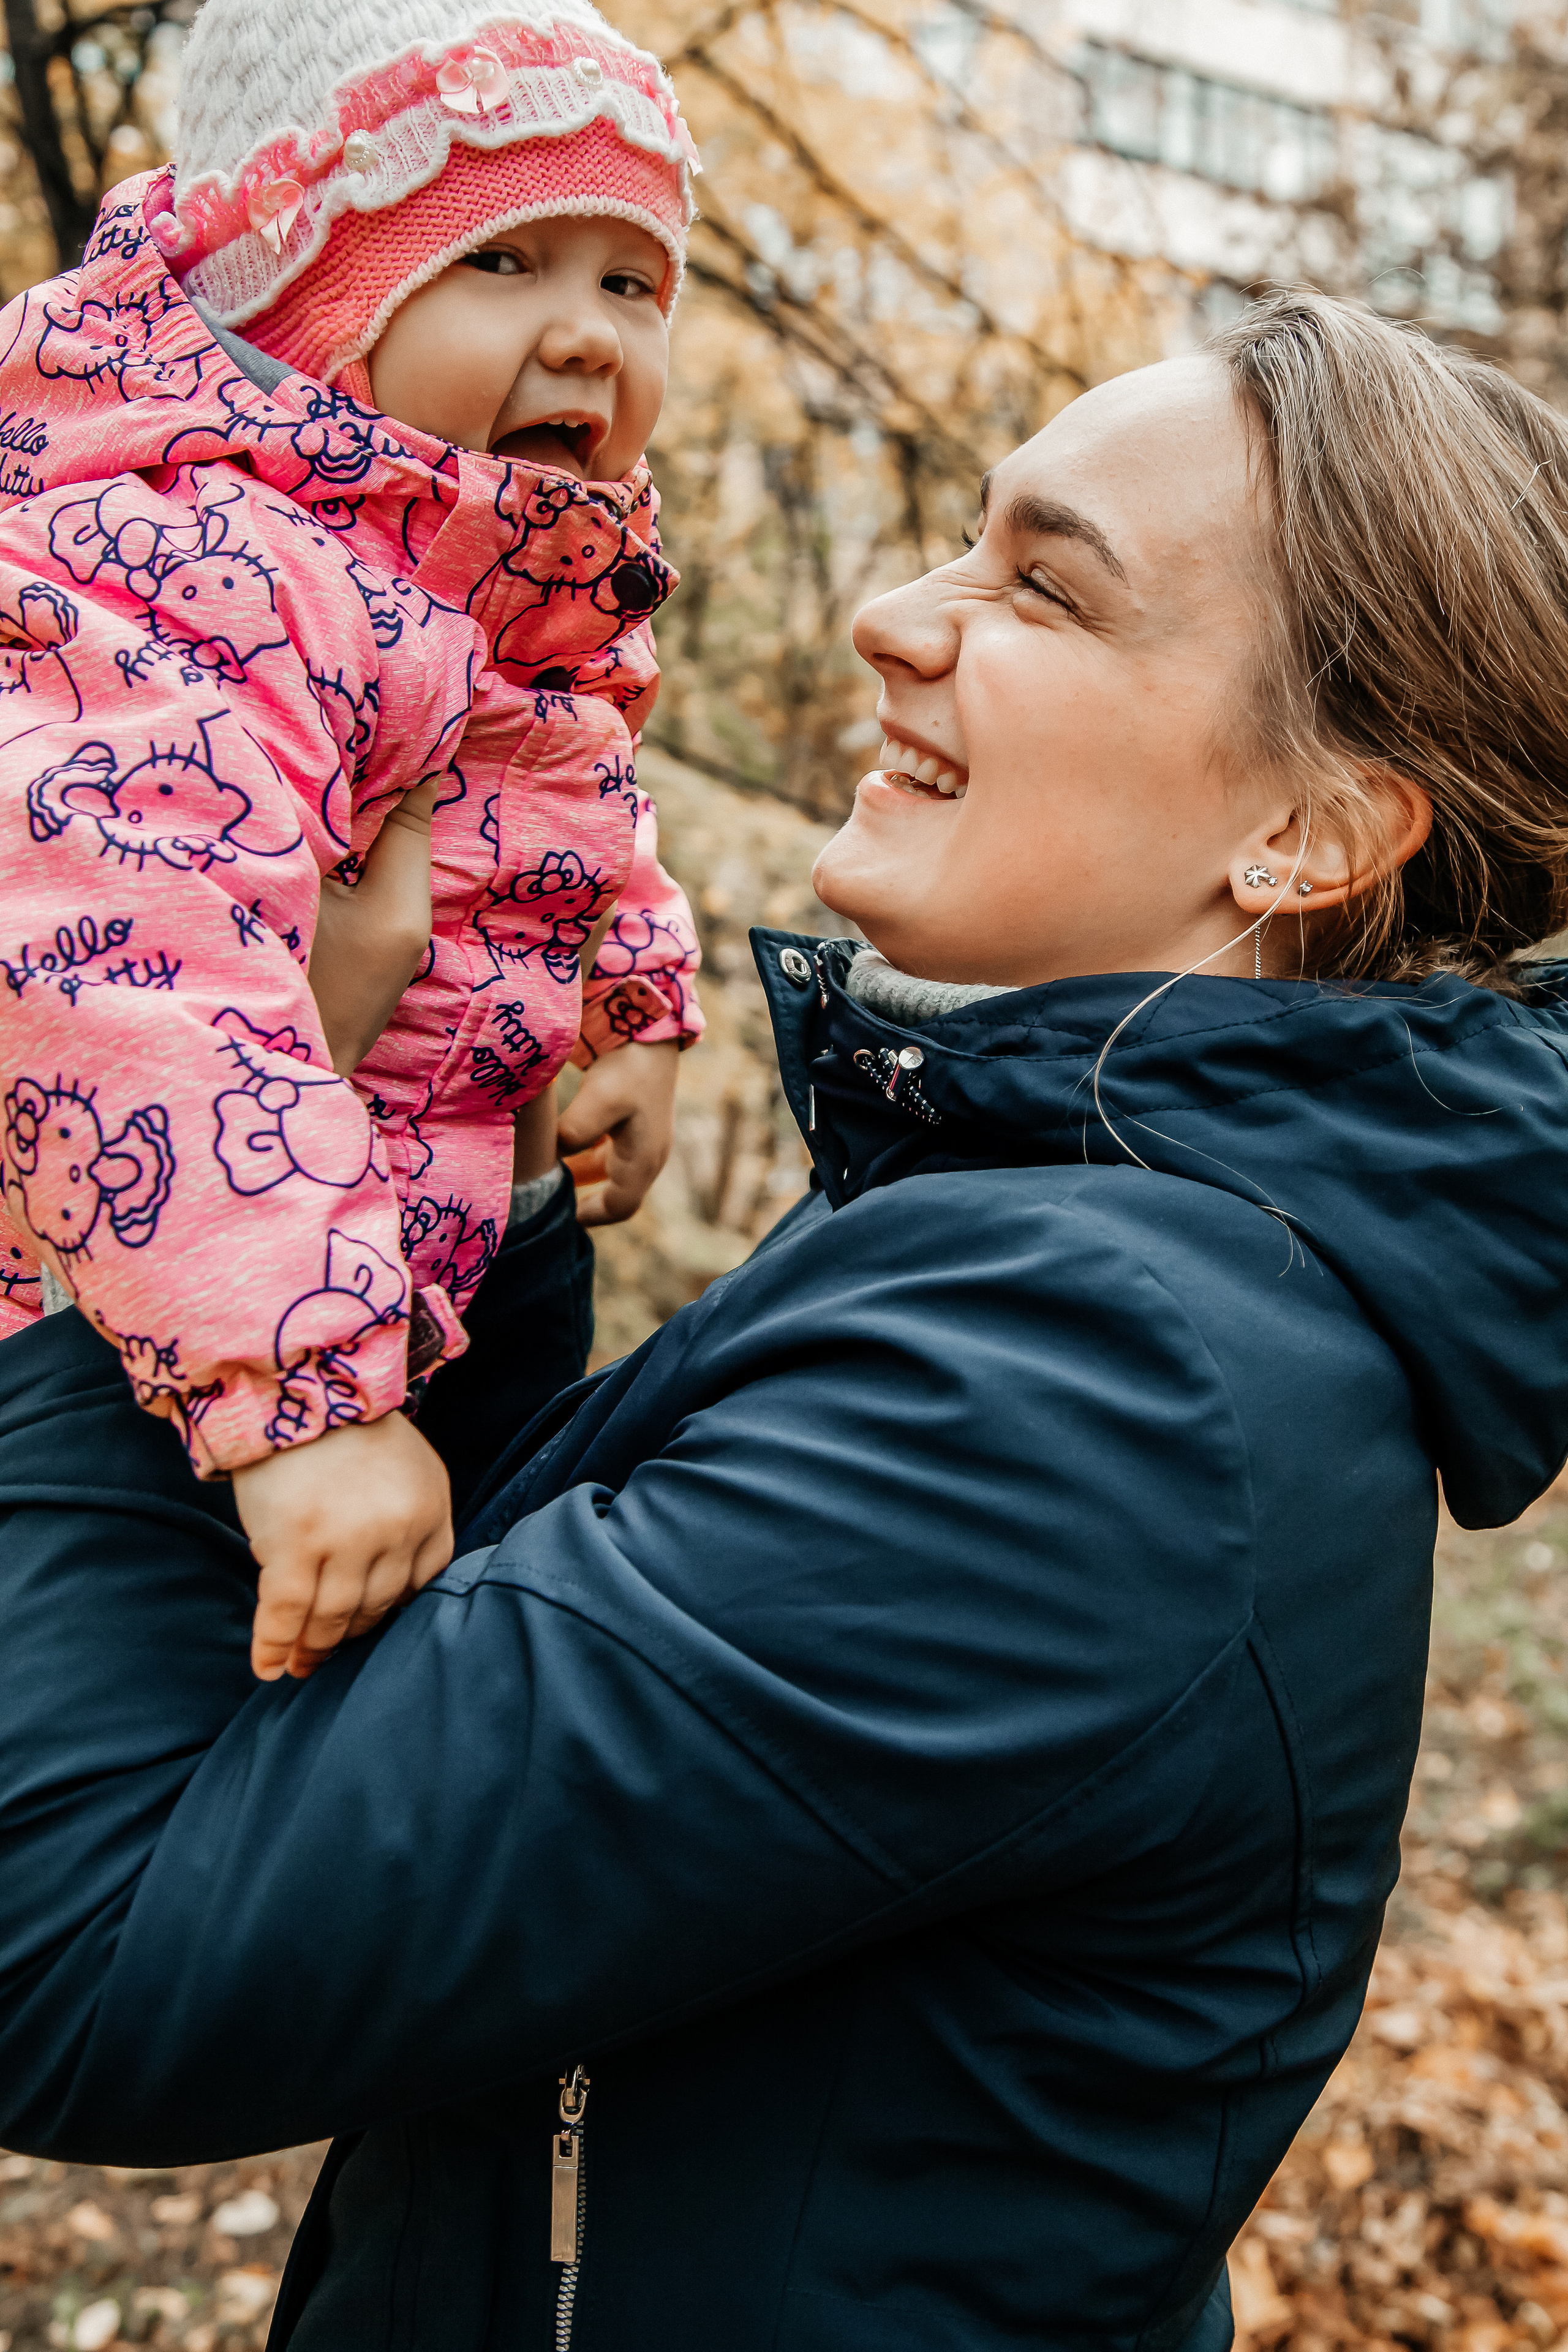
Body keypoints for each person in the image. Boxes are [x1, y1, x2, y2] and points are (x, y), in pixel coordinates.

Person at [4, 290, 1568, 2352]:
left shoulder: (1087, 1388)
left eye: (1046, 591)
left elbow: (92, 1955)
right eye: (963, 539)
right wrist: (421, 1119)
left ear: (1309, 835)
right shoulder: (1069, 1247)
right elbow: (437, 1690)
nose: (897, 621)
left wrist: (152, 1185)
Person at [0, 0, 707, 1680]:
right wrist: (302, 1405)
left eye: (631, 283)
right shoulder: (185, 563)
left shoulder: (468, 573)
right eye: (504, 262)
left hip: (412, 1269)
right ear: (305, 306)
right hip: (174, 1331)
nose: (591, 336)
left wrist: (634, 996)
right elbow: (120, 961)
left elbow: (562, 787)